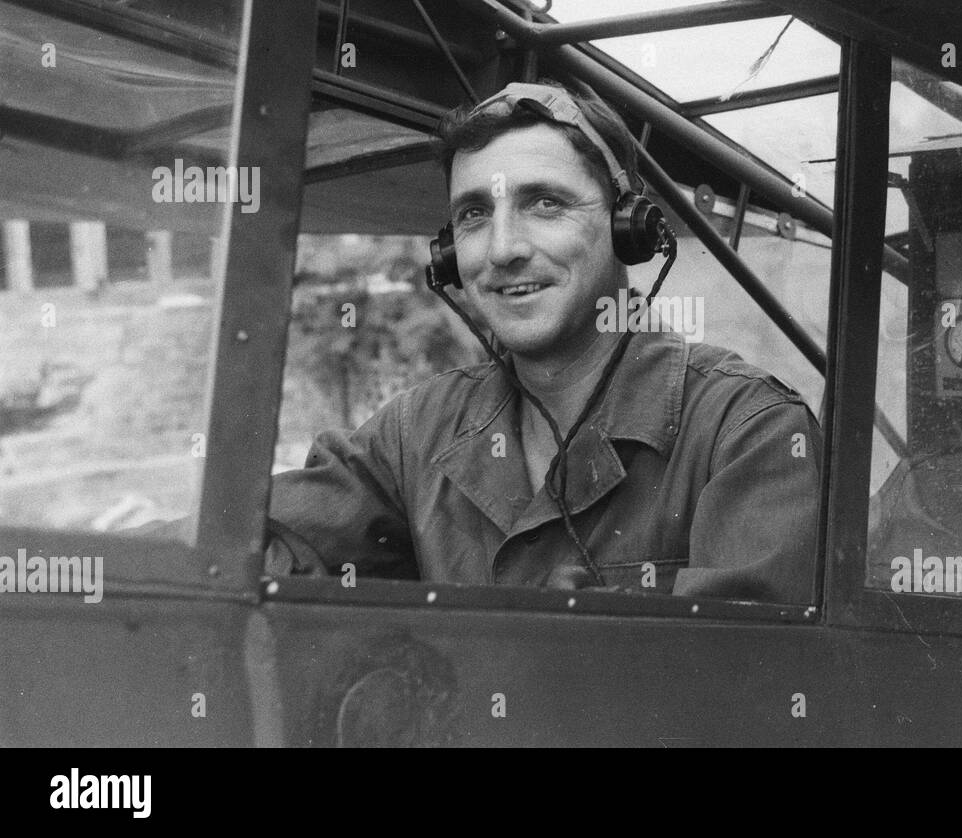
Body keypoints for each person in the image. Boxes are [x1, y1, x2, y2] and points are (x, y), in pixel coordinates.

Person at [266, 80, 821, 604]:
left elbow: (746, 682)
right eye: (474, 214)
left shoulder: (745, 431)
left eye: (545, 204)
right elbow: (251, 548)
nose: (503, 249)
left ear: (628, 227)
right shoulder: (413, 435)